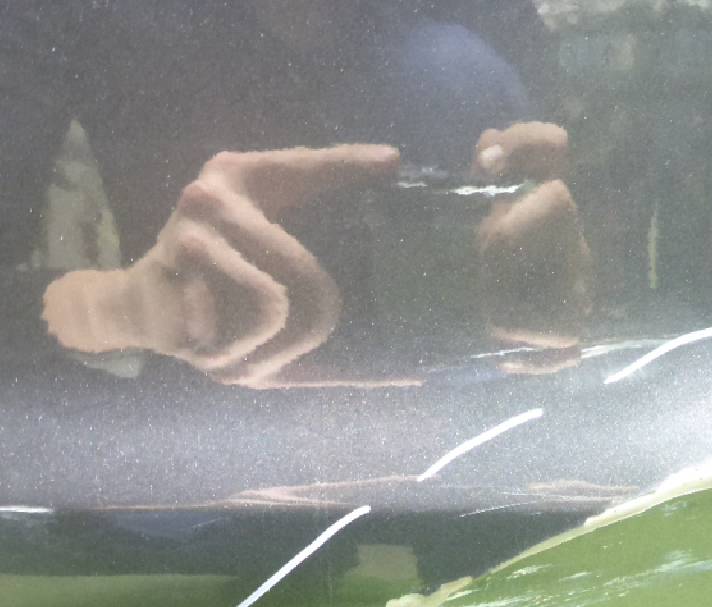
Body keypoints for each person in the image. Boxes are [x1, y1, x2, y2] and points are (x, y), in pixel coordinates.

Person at [1, 0, 589, 388]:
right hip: (486, 438)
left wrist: (128, 311)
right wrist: (126, 308)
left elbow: (577, 222)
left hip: (201, 442)